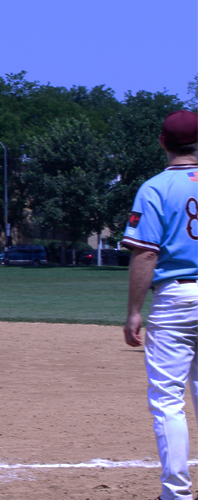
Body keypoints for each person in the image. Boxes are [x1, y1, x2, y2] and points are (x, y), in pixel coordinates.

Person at [120, 109, 198, 500]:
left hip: (176, 298)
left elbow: (146, 255)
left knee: (168, 400)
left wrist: (134, 311)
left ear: (163, 142)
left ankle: (176, 494)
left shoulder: (154, 188)